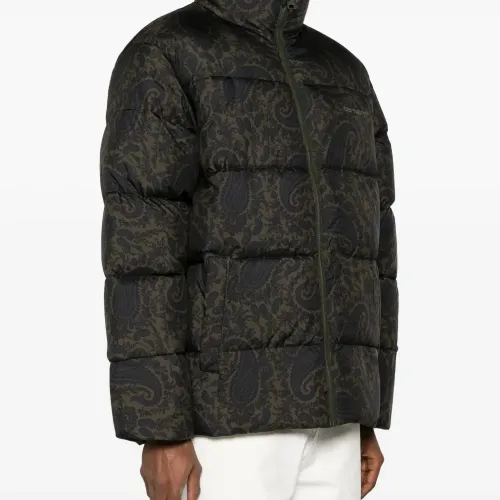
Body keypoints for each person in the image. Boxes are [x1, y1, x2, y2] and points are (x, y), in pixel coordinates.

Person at [99, 0, 398, 498]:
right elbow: (141, 249)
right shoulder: (168, 53)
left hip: (337, 423)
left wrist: (366, 407)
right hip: (223, 421)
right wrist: (160, 428)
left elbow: (374, 252)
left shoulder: (343, 72)